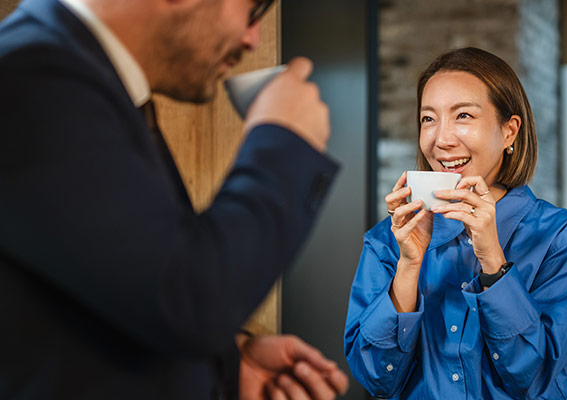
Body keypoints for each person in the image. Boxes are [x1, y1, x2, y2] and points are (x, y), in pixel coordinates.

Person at [0, 0, 348, 398]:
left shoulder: (77, 80)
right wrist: (284, 143)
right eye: (252, 11)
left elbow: (131, 278)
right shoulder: (31, 78)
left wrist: (228, 365)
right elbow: (191, 298)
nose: (252, 39)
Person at [344, 47, 567, 399]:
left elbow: (535, 379)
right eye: (428, 119)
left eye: (463, 115)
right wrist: (408, 267)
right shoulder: (388, 241)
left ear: (509, 131)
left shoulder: (566, 239)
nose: (442, 140)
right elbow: (376, 379)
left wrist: (493, 262)